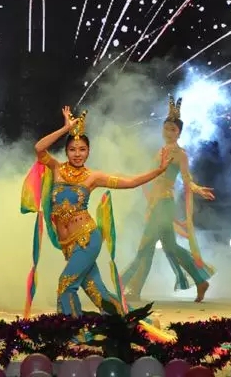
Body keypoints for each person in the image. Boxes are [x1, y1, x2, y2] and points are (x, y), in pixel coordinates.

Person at [22, 106, 173, 317]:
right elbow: (39, 148)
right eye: (73, 149)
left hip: (87, 238)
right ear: (66, 151)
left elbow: (130, 182)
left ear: (88, 151)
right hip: (68, 244)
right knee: (96, 290)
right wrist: (65, 129)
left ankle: (71, 328)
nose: (77, 154)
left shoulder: (93, 177)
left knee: (66, 283)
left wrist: (159, 170)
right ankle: (124, 322)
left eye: (82, 149)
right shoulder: (57, 169)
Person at [121, 96, 216, 304]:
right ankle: (200, 281)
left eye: (173, 129)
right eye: (166, 128)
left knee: (145, 246)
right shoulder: (160, 151)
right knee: (170, 247)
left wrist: (198, 189)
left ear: (179, 132)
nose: (168, 132)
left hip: (164, 204)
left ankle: (128, 286)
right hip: (156, 204)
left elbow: (187, 180)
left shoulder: (180, 154)